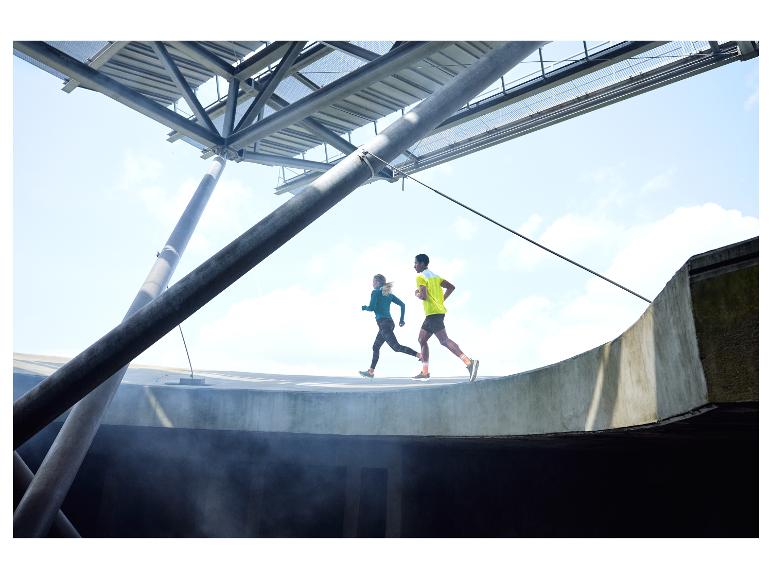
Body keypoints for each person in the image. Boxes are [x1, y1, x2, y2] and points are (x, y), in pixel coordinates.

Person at [412, 253, 479, 381]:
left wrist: (417, 294)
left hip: (432, 313)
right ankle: (425, 372)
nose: (414, 266)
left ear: (421, 264)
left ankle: (469, 363)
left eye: (415, 263)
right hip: (436, 312)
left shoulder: (420, 277)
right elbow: (451, 287)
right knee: (422, 339)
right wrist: (441, 300)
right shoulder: (435, 276)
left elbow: (423, 296)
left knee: (444, 340)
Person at [359, 274, 421, 379]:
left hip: (384, 325)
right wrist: (401, 319)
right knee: (376, 346)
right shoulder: (388, 294)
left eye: (373, 281)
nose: (372, 283)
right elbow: (402, 305)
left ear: (378, 282)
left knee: (396, 347)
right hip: (388, 324)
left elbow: (371, 307)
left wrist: (364, 307)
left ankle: (419, 355)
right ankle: (370, 372)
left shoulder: (375, 292)